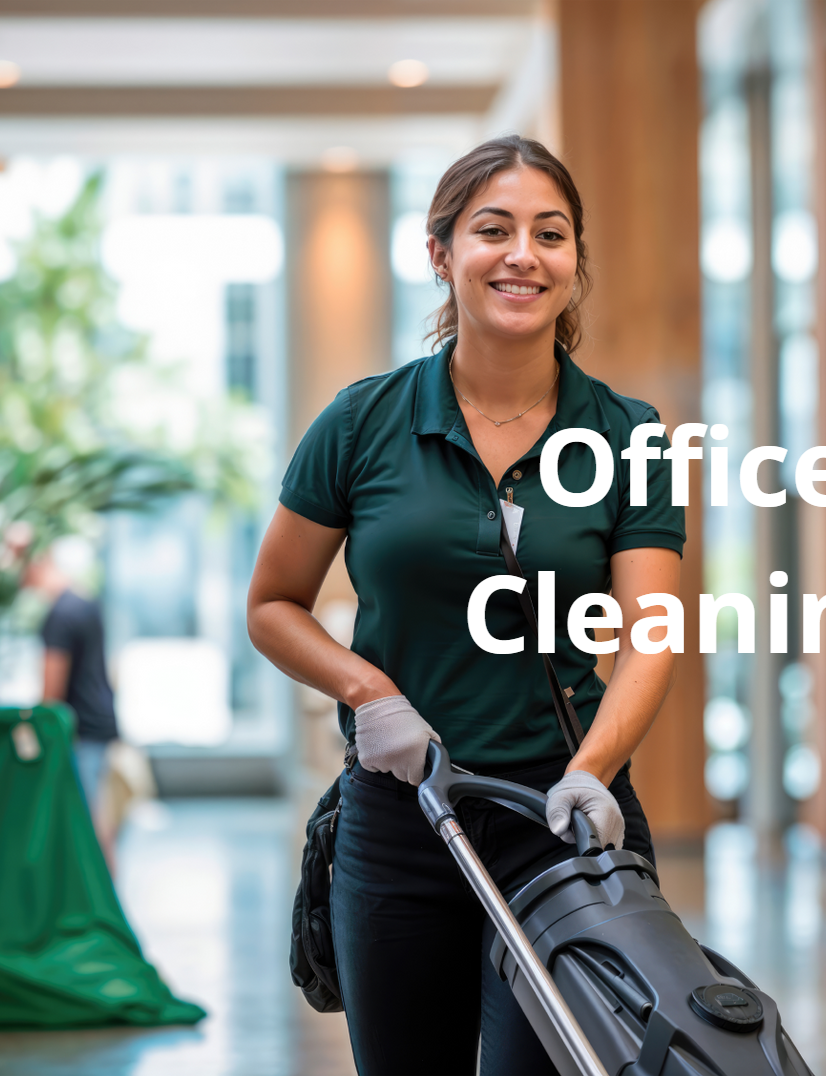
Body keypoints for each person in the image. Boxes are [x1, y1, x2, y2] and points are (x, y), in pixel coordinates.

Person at [246, 135, 683, 1075]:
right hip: (401, 825)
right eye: (494, 229)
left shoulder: (627, 435)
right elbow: (273, 603)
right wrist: (371, 693)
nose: (523, 254)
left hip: (563, 823)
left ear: (575, 265)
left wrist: (593, 772)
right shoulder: (361, 423)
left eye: (551, 234)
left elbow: (651, 636)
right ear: (441, 253)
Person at [25, 544, 122, 872]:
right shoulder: (85, 603)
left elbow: (51, 693)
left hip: (79, 731)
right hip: (100, 723)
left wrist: (35, 731)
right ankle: (108, 900)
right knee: (96, 816)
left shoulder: (59, 616)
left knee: (88, 821)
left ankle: (106, 906)